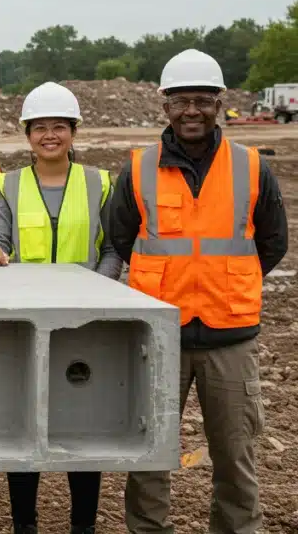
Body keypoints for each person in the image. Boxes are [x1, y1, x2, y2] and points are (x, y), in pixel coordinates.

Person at [115, 49, 287, 534]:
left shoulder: (252, 168)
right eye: (181, 101)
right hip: (160, 336)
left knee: (236, 455)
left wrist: (230, 284)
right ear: (164, 106)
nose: (192, 110)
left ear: (219, 103)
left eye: (202, 100)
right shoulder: (139, 169)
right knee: (150, 453)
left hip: (230, 338)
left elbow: (272, 243)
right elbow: (123, 238)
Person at [0, 81, 122, 534]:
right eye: (40, 128)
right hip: (27, 325)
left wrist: (97, 294)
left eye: (59, 127)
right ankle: (25, 525)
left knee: (84, 429)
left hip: (85, 325)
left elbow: (114, 247)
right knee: (26, 427)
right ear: (27, 135)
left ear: (73, 133)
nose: (50, 135)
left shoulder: (100, 183)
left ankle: (83, 526)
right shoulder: (9, 184)